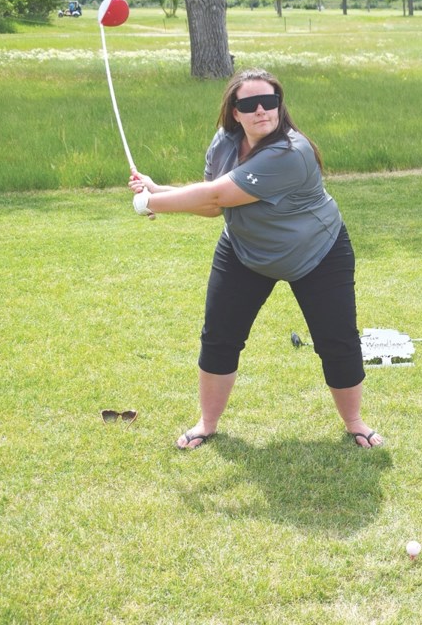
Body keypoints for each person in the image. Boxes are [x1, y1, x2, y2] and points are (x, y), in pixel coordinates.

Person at [128, 68, 383, 450]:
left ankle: (355, 422)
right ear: (235, 111)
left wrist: (150, 202)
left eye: (270, 101)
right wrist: (159, 192)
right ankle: (206, 424)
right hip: (245, 249)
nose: (261, 110)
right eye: (249, 103)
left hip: (317, 251)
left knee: (336, 339)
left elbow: (214, 197)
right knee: (219, 336)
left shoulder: (290, 153)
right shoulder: (224, 144)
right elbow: (215, 204)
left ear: (280, 106)